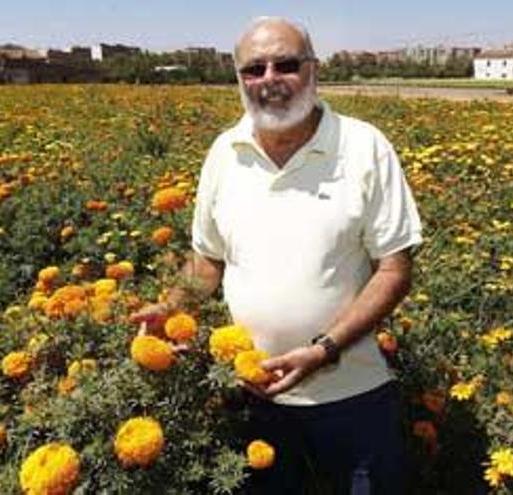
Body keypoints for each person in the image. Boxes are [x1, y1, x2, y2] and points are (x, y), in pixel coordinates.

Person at [132, 16, 422, 494]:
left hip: (350, 391)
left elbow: (394, 269)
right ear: (239, 79)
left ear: (313, 70)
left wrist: (324, 349)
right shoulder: (224, 153)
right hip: (250, 392)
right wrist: (170, 309)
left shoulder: (364, 147)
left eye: (285, 65)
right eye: (254, 69)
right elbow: (208, 261)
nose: (269, 79)